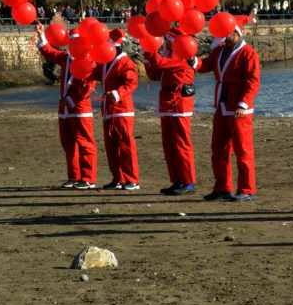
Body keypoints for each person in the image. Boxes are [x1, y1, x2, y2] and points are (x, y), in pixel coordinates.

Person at [194, 20, 261, 202]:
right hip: (221, 106)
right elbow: (205, 66)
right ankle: (223, 187)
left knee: (243, 150)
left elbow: (253, 82)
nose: (225, 34)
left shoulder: (248, 54)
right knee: (218, 149)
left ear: (237, 32)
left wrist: (243, 103)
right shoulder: (220, 50)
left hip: (239, 109)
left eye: (228, 31)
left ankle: (246, 189)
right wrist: (192, 61)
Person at [33, 22, 98, 189]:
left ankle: (88, 178)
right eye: (71, 43)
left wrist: (72, 100)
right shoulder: (66, 58)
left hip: (80, 107)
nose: (72, 46)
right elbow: (49, 52)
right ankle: (74, 176)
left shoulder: (88, 60)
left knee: (85, 142)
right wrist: (42, 35)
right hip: (65, 107)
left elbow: (88, 86)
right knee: (68, 143)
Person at [143, 27, 198, 196]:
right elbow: (154, 74)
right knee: (169, 145)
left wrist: (151, 50)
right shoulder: (169, 56)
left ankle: (188, 182)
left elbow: (160, 64)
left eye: (168, 39)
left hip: (179, 102)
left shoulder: (182, 56)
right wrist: (147, 56)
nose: (165, 42)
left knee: (181, 144)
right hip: (167, 101)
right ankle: (178, 179)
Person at [90, 29, 140, 190]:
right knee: (111, 145)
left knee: (126, 144)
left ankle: (132, 179)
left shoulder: (126, 63)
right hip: (108, 108)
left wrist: (118, 93)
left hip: (122, 109)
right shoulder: (105, 63)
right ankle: (118, 178)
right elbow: (93, 73)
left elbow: (132, 83)